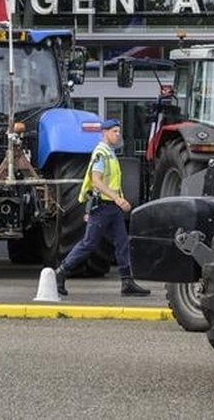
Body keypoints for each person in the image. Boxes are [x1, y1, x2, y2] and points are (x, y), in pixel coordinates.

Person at [55, 119, 151, 297]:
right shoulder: (101, 153)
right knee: (89, 244)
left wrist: (118, 200)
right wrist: (117, 198)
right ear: (105, 133)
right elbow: (96, 181)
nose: (118, 134)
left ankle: (127, 283)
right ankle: (61, 272)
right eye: (114, 131)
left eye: (118, 131)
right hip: (101, 208)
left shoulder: (110, 153)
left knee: (122, 244)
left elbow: (111, 182)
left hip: (112, 207)